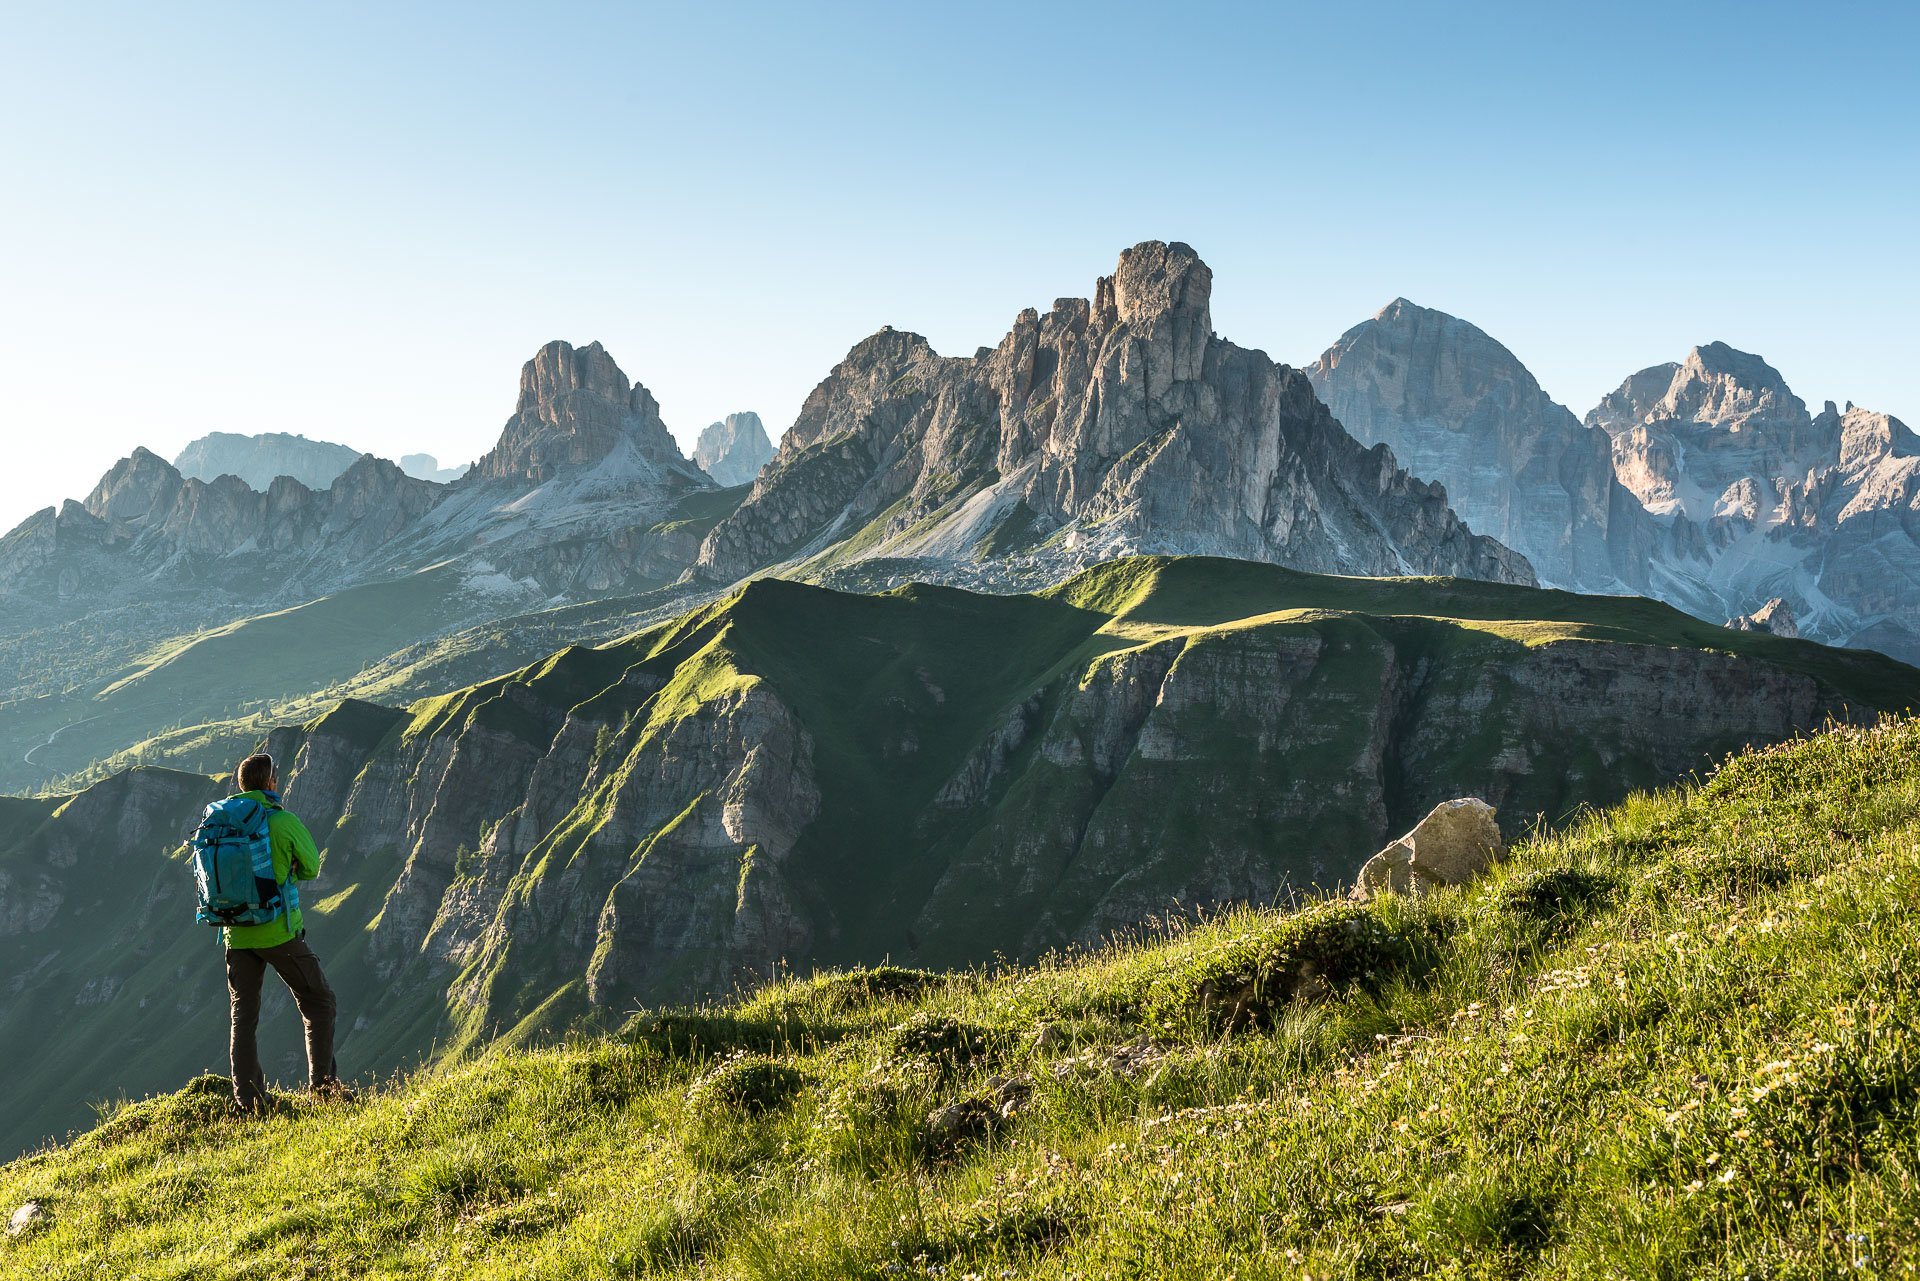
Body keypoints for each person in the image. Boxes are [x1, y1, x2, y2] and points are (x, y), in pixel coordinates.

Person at [220, 751, 345, 1110]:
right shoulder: (282, 820)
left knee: (243, 1015)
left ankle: (249, 1099)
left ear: (242, 785)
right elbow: (311, 867)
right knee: (319, 1002)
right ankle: (324, 1091)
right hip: (277, 932)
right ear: (271, 782)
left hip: (235, 933)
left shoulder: (224, 820)